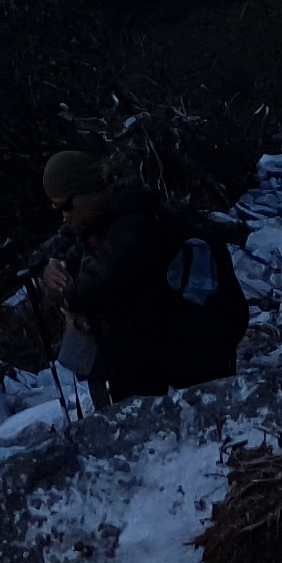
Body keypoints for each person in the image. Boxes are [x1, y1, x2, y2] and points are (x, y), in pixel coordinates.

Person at [30, 149, 240, 401]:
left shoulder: (130, 228)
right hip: (156, 346)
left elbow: (94, 289)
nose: (65, 215)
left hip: (179, 349)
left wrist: (58, 283)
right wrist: (57, 265)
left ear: (88, 191)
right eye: (57, 207)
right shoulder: (112, 217)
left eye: (66, 205)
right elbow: (79, 256)